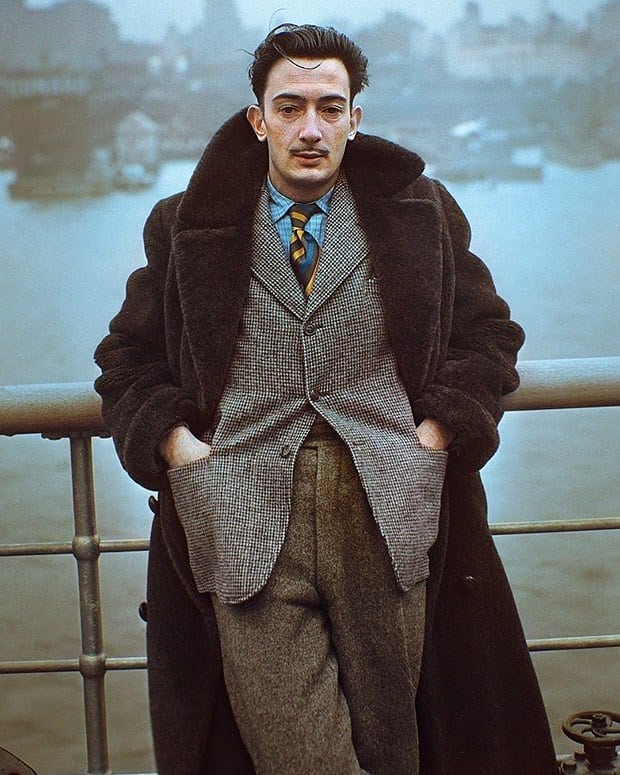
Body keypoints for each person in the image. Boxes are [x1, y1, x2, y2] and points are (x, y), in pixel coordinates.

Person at [94, 24, 558, 775]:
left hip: (389, 518)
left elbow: (488, 336)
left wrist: (438, 434)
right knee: (301, 757)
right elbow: (127, 359)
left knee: (395, 750)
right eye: (289, 106)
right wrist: (181, 452)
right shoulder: (185, 226)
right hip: (244, 528)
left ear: (354, 118)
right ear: (258, 120)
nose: (309, 128)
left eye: (329, 106)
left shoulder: (422, 215)